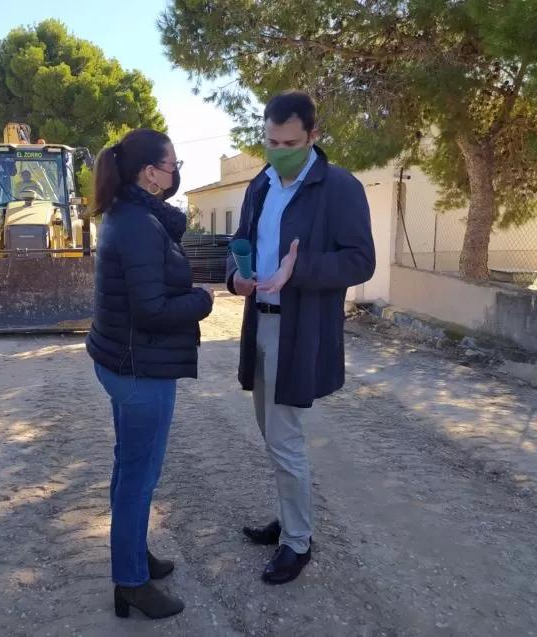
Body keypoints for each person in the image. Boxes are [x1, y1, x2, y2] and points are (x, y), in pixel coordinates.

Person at [227, 90, 376, 585]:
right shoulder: (261, 184)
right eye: (270, 141)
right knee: (271, 433)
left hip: (298, 329)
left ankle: (297, 542)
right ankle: (288, 516)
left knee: (285, 437)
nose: (278, 151)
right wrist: (236, 276)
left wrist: (301, 268)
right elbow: (240, 243)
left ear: (313, 135)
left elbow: (361, 261)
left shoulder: (339, 187)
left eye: (289, 143)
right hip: (259, 321)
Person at [86, 129, 214, 619]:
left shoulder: (130, 214)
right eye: (172, 165)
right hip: (139, 369)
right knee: (139, 478)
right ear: (150, 173)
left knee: (129, 469)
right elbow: (153, 309)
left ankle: (132, 555)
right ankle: (131, 582)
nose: (176, 173)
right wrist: (203, 300)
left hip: (124, 361)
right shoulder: (138, 223)